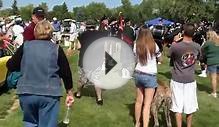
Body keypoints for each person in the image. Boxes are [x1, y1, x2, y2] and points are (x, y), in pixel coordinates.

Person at [6, 20, 74, 127]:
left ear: (35, 32)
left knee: (29, 123)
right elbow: (66, 72)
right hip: (49, 94)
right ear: (51, 33)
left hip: (26, 92)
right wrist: (69, 92)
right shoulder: (56, 49)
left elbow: (10, 65)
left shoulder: (26, 46)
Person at [169, 23, 200, 127]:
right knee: (190, 107)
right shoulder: (197, 47)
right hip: (190, 80)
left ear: (183, 32)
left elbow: (169, 54)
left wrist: (174, 41)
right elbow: (199, 58)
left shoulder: (176, 46)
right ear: (194, 33)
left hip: (177, 79)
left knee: (177, 107)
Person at [74, 20, 107, 105]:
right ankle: (99, 99)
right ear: (94, 26)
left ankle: (78, 94)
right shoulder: (101, 34)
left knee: (82, 79)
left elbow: (78, 47)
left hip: (84, 60)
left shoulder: (82, 35)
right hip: (97, 60)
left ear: (86, 26)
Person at [134, 28, 162, 127]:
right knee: (147, 104)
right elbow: (160, 58)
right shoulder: (154, 45)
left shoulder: (136, 45)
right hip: (150, 75)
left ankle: (137, 123)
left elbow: (135, 58)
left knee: (138, 101)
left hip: (138, 73)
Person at [201, 30, 219, 98]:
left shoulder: (208, 43)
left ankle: (214, 93)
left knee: (213, 78)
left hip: (212, 61)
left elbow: (201, 50)